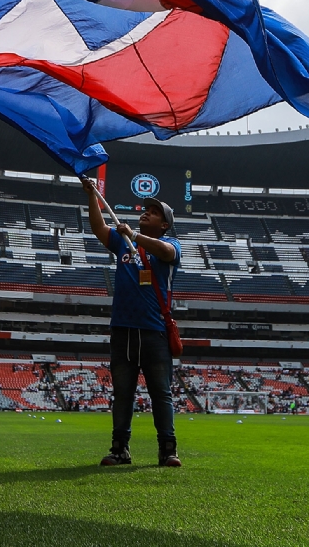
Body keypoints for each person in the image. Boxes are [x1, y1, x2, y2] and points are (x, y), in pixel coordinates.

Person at [87, 189, 181, 467]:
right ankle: (120, 448)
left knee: (161, 393)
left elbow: (165, 251)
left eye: (154, 212)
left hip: (154, 331)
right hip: (123, 329)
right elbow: (97, 227)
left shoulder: (171, 244)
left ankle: (168, 449)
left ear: (164, 225)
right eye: (147, 209)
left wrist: (135, 236)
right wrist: (92, 195)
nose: (147, 212)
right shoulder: (121, 242)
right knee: (123, 392)